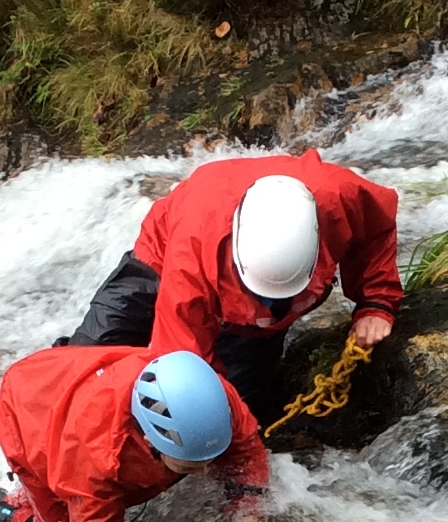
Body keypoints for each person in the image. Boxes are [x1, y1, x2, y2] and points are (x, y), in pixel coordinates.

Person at [64, 151, 402, 426]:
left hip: (260, 319)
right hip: (159, 258)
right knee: (86, 362)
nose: (263, 300)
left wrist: (376, 303)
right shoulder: (191, 255)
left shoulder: (339, 194)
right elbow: (179, 361)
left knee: (241, 410)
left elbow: (376, 229)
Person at [0, 346, 271, 522]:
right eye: (189, 466)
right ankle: (7, 518)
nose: (205, 472)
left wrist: (248, 517)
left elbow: (246, 450)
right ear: (149, 442)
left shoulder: (208, 398)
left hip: (69, 383)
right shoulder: (95, 456)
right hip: (25, 414)